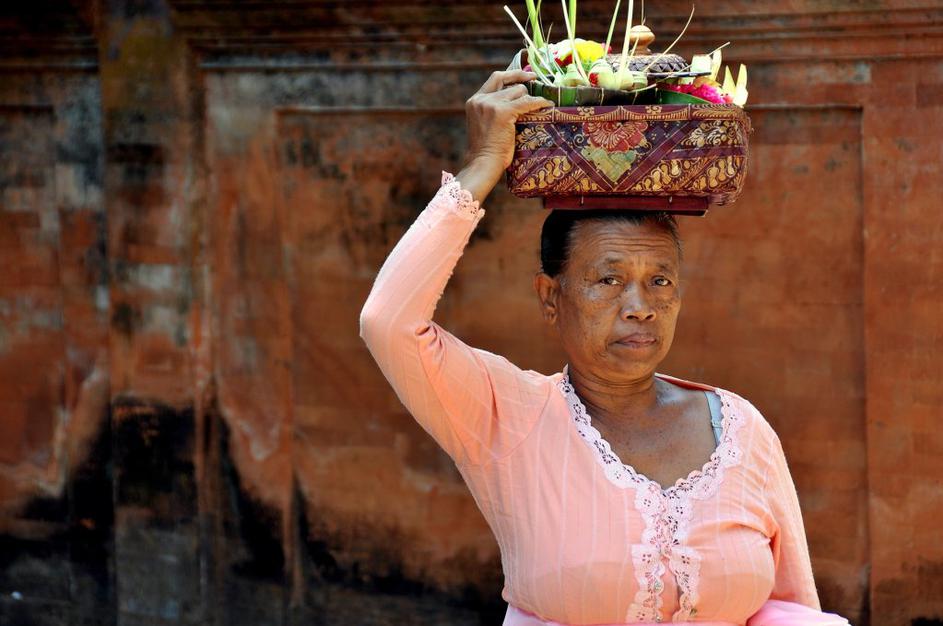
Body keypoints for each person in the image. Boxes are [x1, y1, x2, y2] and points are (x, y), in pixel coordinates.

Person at [359, 70, 849, 626]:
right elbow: (388, 322)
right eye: (609, 280)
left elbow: (790, 607)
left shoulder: (742, 431)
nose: (640, 306)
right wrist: (483, 164)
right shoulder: (508, 417)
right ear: (551, 297)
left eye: (659, 281)